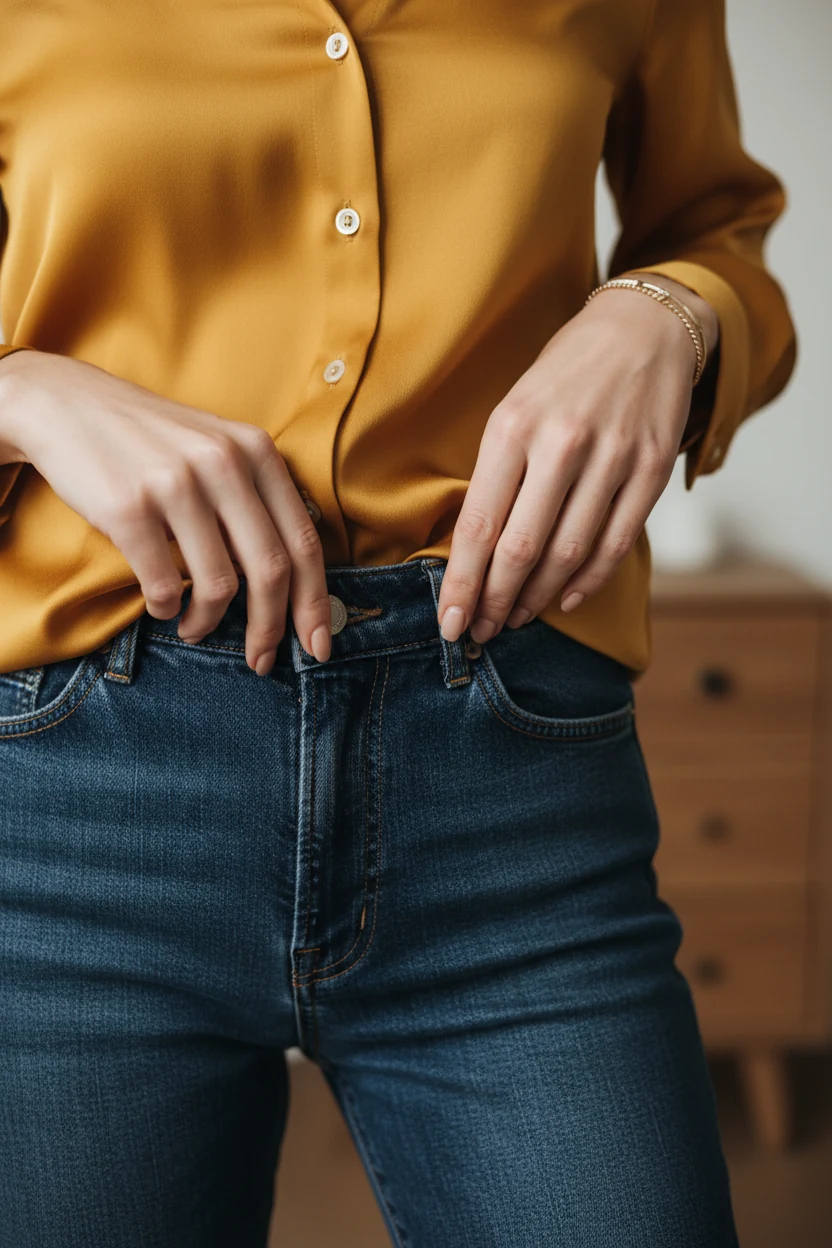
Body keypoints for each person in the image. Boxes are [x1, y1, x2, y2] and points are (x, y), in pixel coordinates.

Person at [0, 2, 795, 1245]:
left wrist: (666, 313)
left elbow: (718, 233)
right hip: (77, 809)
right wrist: (24, 394)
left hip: (510, 791)